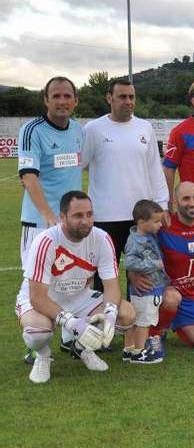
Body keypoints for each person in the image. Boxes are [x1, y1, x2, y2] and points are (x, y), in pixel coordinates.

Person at [15, 191, 135, 383]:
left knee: (125, 313)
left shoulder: (102, 239)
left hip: (79, 297)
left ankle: (82, 349)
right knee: (38, 332)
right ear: (62, 217)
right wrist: (73, 323)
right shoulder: (46, 241)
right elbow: (37, 297)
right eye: (78, 216)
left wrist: (111, 315)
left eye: (89, 214)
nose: (86, 221)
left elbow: (111, 286)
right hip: (41, 300)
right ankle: (43, 356)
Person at [82, 78, 169, 291]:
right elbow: (79, 165)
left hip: (140, 217)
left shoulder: (144, 127)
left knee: (141, 277)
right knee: (103, 277)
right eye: (122, 96)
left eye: (131, 97)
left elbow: (154, 170)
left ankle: (138, 322)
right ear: (109, 98)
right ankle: (102, 322)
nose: (128, 101)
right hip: (105, 218)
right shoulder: (93, 129)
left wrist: (163, 205)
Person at [18, 76, 83, 267]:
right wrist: (49, 216)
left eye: (67, 96)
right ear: (46, 100)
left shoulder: (79, 130)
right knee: (35, 286)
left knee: (69, 285)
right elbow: (29, 176)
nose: (62, 101)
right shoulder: (31, 130)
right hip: (41, 223)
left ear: (75, 100)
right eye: (56, 96)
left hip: (72, 223)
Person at [146, 182, 194, 352]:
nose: (192, 203)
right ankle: (155, 333)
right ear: (175, 202)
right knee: (171, 299)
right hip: (164, 292)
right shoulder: (163, 227)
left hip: (189, 295)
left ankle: (174, 320)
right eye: (186, 199)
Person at [122, 200, 168, 364]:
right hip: (145, 289)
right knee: (144, 321)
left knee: (139, 318)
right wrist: (154, 264)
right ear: (141, 222)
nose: (160, 225)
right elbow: (129, 262)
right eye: (156, 221)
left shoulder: (148, 236)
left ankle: (129, 349)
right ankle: (139, 352)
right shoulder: (135, 240)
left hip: (152, 287)